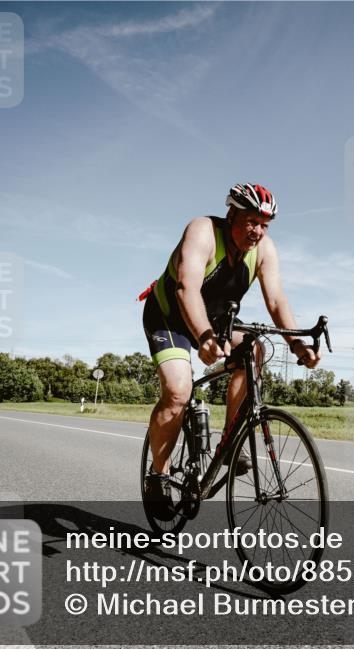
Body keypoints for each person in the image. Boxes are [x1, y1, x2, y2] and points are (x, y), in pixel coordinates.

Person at [139, 183, 320, 514]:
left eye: (265, 225)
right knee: (178, 392)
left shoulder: (264, 250)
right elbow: (185, 287)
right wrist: (205, 336)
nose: (258, 231)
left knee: (254, 351)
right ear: (232, 214)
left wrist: (296, 344)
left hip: (215, 321)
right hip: (169, 316)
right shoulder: (203, 231)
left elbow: (276, 299)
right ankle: (158, 475)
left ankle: (231, 438)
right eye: (252, 221)